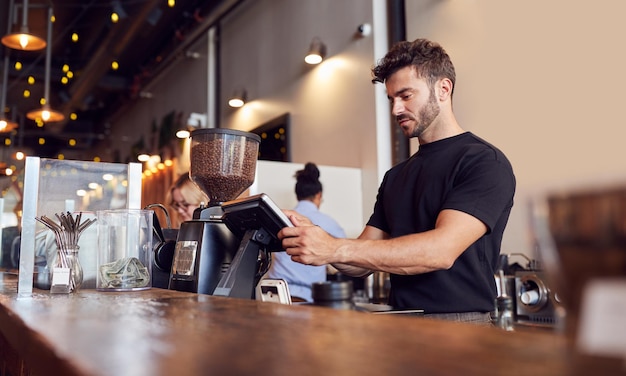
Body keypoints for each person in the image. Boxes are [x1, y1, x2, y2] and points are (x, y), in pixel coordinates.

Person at [278, 38, 516, 324]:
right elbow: (359, 264)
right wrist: (317, 237)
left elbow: (440, 252)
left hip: (462, 325)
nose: (395, 110)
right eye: (391, 99)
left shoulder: (484, 161)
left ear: (443, 89)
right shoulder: (395, 177)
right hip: (400, 321)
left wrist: (333, 247)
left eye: (406, 96)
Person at [266, 163, 346, 302]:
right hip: (304, 299)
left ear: (297, 195)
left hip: (272, 295)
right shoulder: (329, 224)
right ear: (318, 195)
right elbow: (344, 258)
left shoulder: (280, 218)